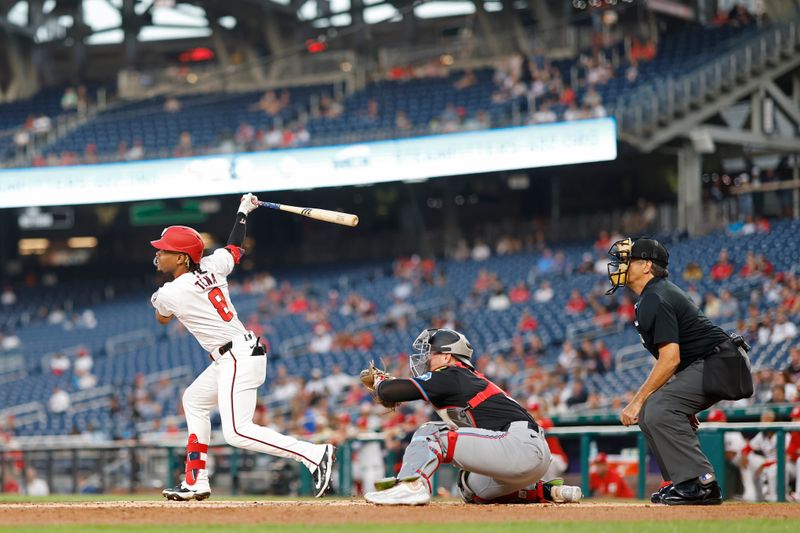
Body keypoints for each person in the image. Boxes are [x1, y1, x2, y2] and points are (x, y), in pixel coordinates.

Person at [150, 194, 335, 501]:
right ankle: (196, 479)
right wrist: (243, 212)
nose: (158, 254)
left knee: (237, 432)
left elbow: (162, 318)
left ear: (182, 258)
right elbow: (235, 248)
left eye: (164, 250)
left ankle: (314, 454)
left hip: (236, 355)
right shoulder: (213, 265)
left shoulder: (171, 291)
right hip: (236, 353)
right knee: (194, 399)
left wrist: (242, 211)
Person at [358, 327, 582, 505]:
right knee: (469, 487)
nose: (425, 359)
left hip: (518, 444)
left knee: (431, 433)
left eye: (431, 353)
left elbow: (391, 391)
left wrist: (381, 382)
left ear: (447, 357)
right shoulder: (460, 377)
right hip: (529, 456)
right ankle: (547, 491)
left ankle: (412, 485)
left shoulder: (452, 373)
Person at [606, 237, 753, 505]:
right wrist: (683, 404)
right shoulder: (653, 294)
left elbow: (670, 359)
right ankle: (682, 482)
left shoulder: (656, 296)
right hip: (710, 362)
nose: (619, 265)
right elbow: (677, 359)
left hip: (720, 362)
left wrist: (636, 401)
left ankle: (701, 483)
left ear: (647, 265)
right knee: (654, 411)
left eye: (627, 260)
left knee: (656, 407)